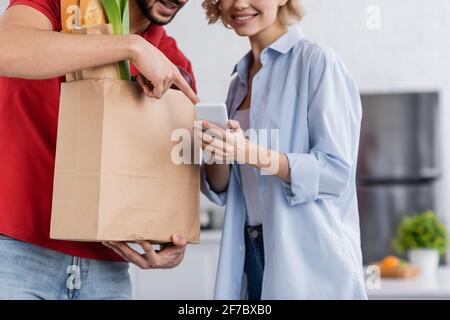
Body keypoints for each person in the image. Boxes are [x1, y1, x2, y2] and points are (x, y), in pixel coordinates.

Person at [0, 0, 199, 300]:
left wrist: (171, 240)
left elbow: (166, 178)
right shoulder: (63, 5)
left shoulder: (171, 64)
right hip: (16, 254)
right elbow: (7, 48)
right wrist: (131, 47)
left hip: (108, 271)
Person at [199, 0, 367, 299]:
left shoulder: (317, 63)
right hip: (250, 249)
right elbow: (223, 187)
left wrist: (248, 152)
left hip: (309, 256)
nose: (239, 4)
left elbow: (335, 172)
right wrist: (217, 149)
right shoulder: (238, 83)